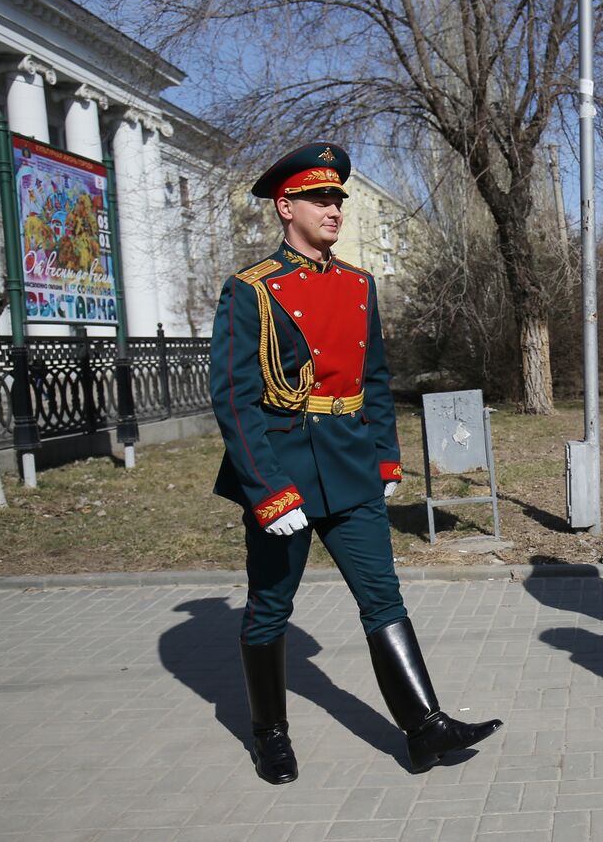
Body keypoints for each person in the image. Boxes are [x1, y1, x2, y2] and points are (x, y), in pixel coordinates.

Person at [209, 142, 501, 784]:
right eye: (320, 197)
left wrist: (385, 459)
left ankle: (424, 728)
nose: (334, 207)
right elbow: (234, 401)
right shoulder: (252, 290)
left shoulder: (357, 284)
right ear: (287, 207)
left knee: (382, 598)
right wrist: (267, 490)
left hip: (349, 466)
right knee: (269, 609)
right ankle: (270, 734)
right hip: (283, 472)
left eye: (338, 197)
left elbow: (373, 379)